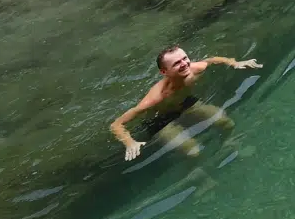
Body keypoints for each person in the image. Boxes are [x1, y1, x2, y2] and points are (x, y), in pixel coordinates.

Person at [110, 46, 261, 161]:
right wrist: (130, 142)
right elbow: (116, 124)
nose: (185, 64)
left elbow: (211, 60)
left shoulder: (193, 69)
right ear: (164, 72)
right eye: (177, 63)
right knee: (193, 151)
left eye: (185, 58)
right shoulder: (154, 98)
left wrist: (234, 63)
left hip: (185, 104)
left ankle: (228, 143)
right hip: (159, 119)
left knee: (226, 122)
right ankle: (197, 175)